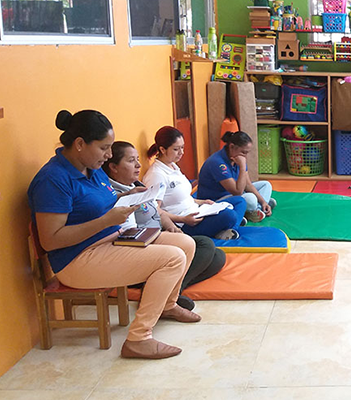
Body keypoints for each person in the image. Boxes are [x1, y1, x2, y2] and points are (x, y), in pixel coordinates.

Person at [28, 110, 201, 360]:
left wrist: (128, 196)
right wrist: (105, 221)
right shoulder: (53, 180)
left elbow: (99, 201)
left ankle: (167, 305)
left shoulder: (92, 168)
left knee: (185, 243)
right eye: (104, 148)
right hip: (78, 260)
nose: (109, 155)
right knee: (172, 258)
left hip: (113, 238)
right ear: (79, 144)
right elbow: (51, 239)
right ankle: (139, 339)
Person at [103, 141, 226, 311]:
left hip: (160, 236)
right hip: (142, 251)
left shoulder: (137, 185)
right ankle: (168, 296)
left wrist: (172, 228)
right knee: (205, 245)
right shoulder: (113, 196)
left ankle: (163, 288)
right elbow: (127, 236)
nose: (138, 165)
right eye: (131, 161)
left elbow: (158, 211)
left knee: (218, 257)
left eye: (138, 159)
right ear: (113, 167)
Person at [142, 126, 246, 240]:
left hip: (197, 210)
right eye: (176, 149)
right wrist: (182, 219)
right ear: (162, 150)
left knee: (240, 201)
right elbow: (154, 210)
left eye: (182, 147)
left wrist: (202, 202)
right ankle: (228, 227)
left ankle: (229, 229)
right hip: (185, 223)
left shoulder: (173, 166)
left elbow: (182, 197)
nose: (181, 152)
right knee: (229, 215)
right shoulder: (157, 175)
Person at [197, 131, 276, 223]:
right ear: (231, 147)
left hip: (232, 194)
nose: (245, 156)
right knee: (250, 198)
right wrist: (242, 166)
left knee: (266, 185)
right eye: (243, 152)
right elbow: (237, 192)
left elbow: (248, 185)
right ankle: (253, 209)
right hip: (214, 201)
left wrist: (263, 202)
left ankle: (257, 209)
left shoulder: (237, 158)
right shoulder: (218, 163)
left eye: (247, 153)